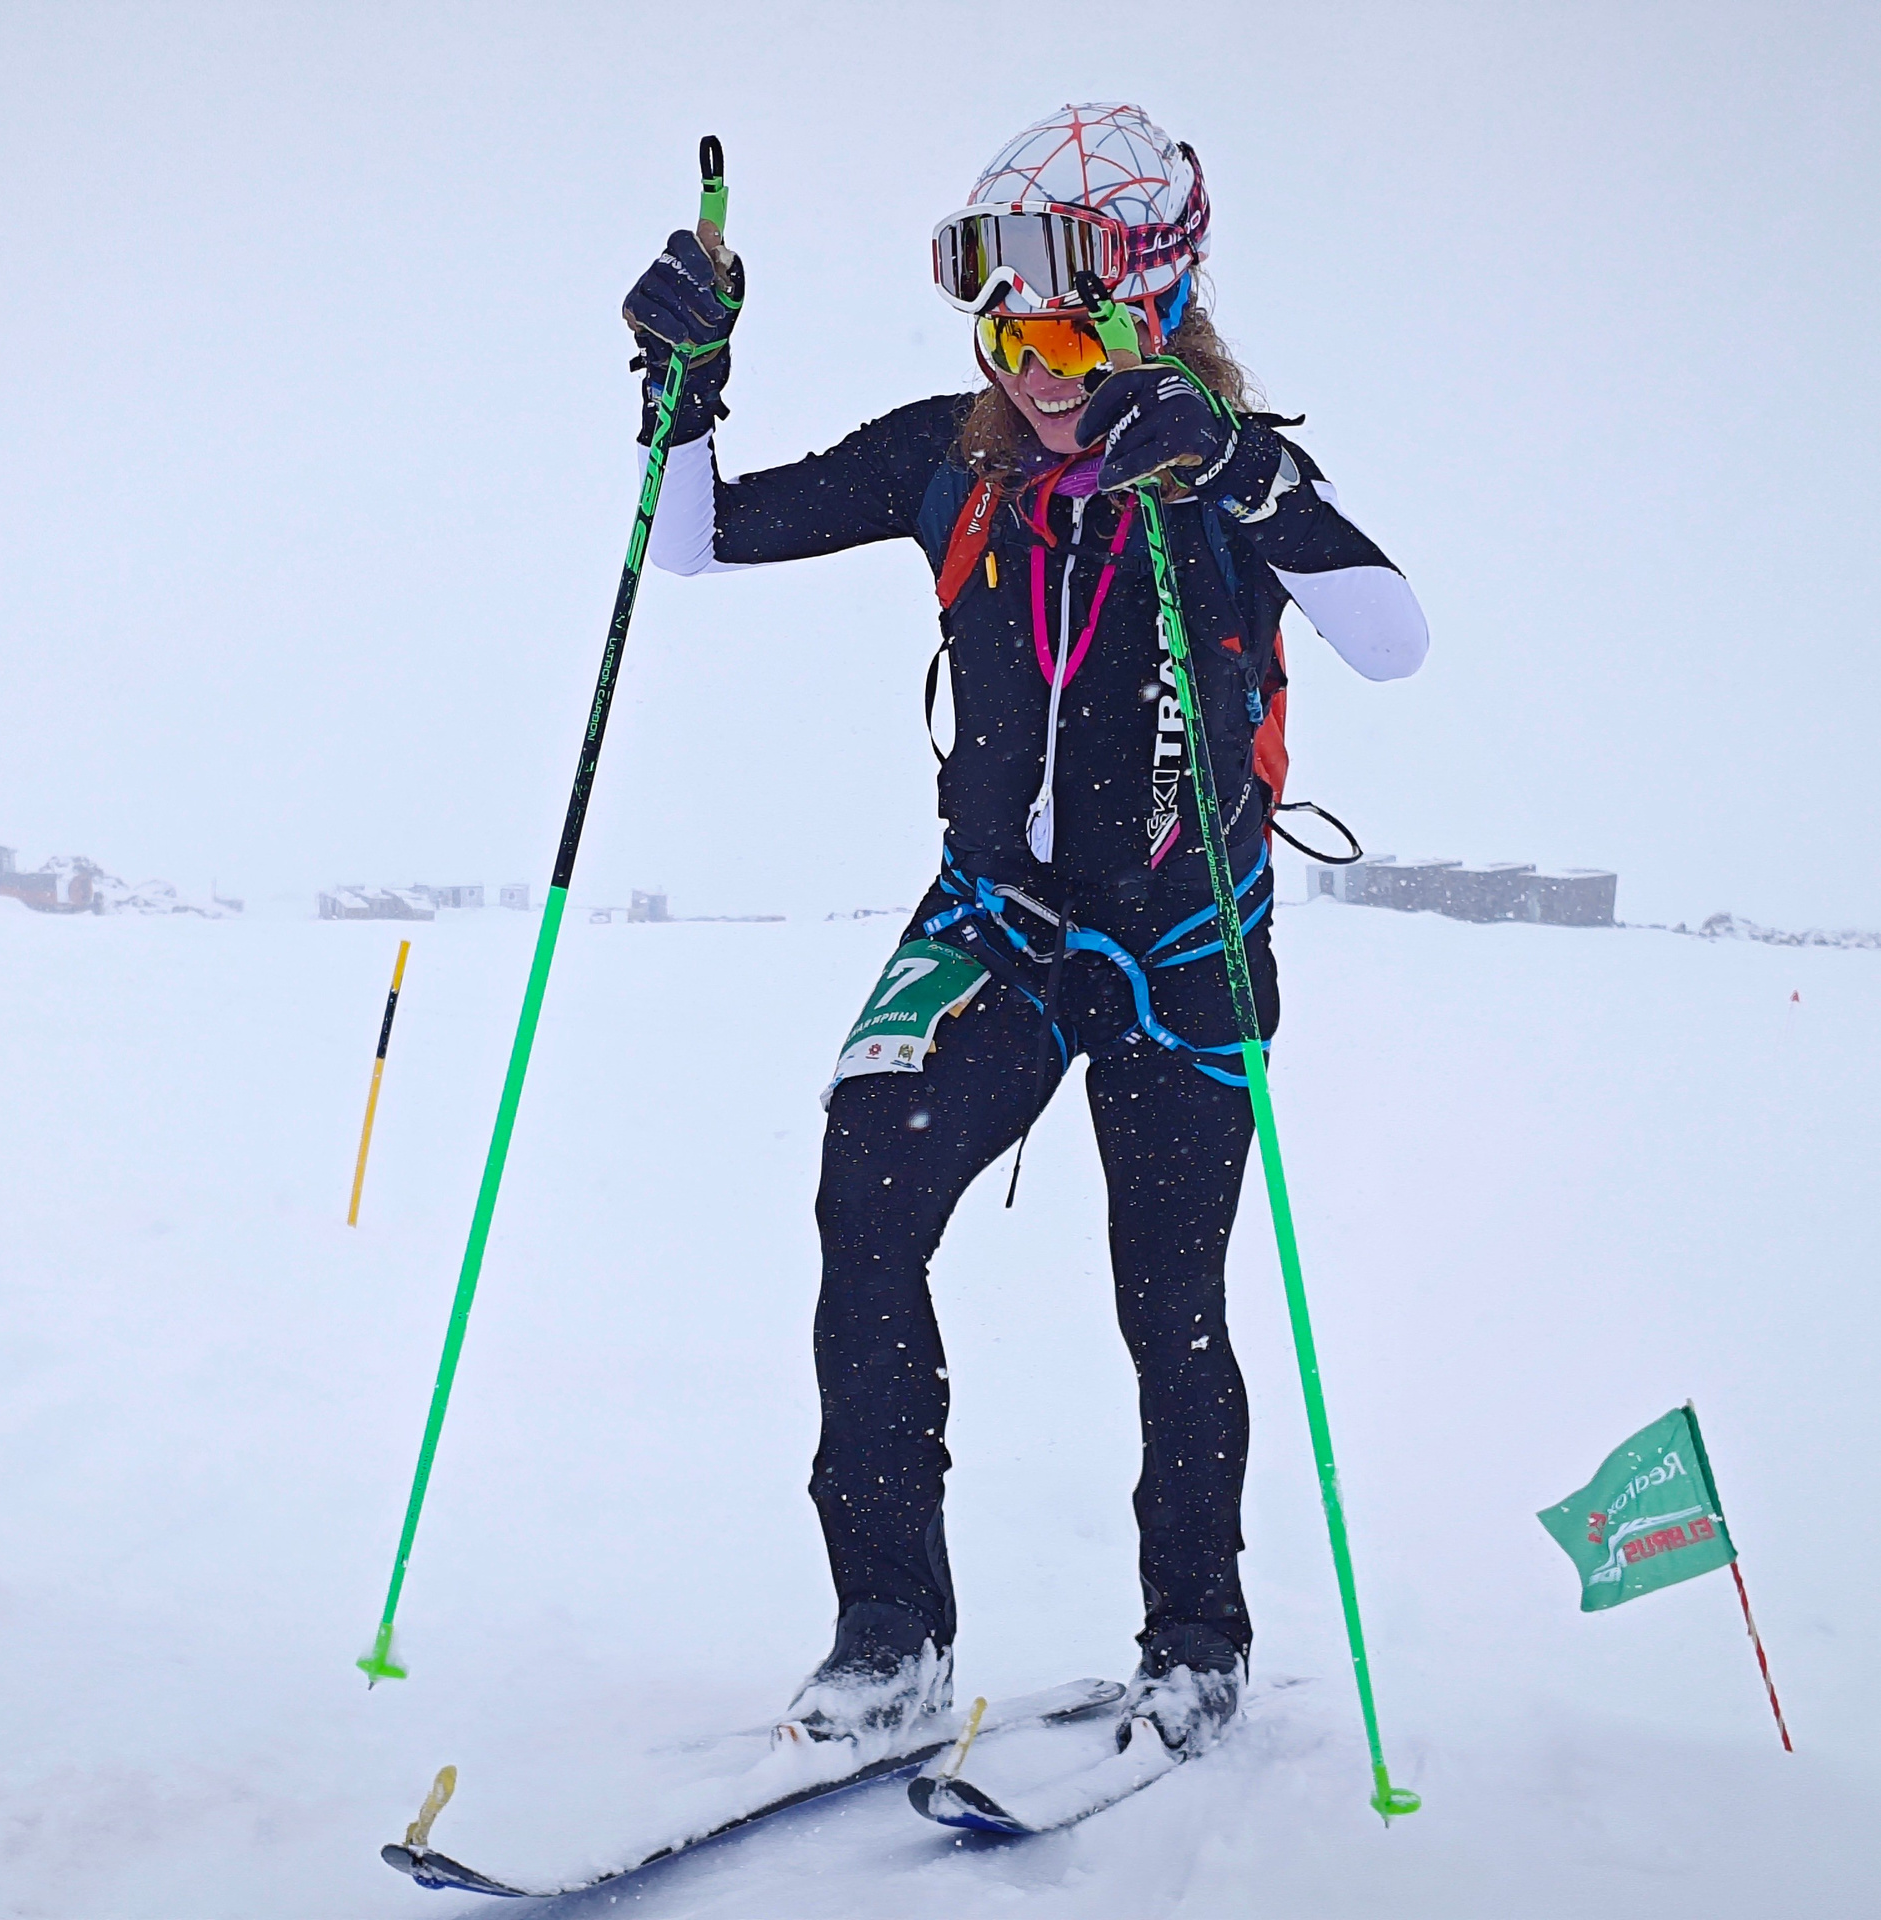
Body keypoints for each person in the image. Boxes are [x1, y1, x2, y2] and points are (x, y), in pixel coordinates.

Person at [621, 103, 1427, 1758]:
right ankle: (888, 1636)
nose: (1037, 372)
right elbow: (693, 543)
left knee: (1168, 1299)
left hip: (1184, 951)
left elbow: (1394, 635)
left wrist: (1242, 473)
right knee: (864, 1203)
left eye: (1069, 336)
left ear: (1157, 312)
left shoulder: (1232, 471)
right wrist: (681, 391)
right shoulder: (953, 456)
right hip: (997, 925)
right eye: (1007, 335)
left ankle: (1196, 1642)